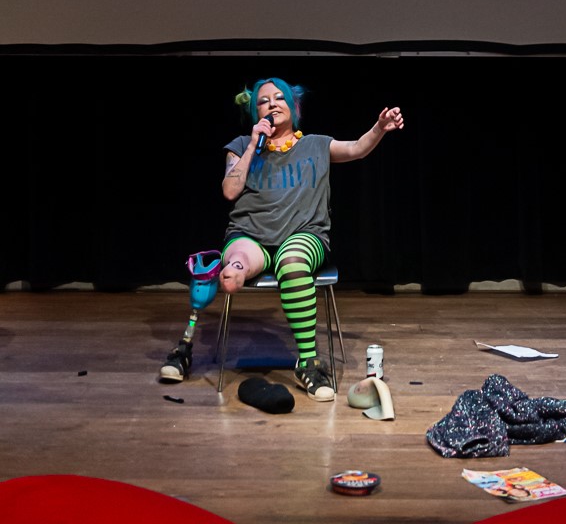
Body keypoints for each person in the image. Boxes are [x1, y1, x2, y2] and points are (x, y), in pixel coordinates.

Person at [159, 78, 405, 401]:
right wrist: (252, 145)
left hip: (303, 235)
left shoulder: (316, 145)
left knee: (292, 261)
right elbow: (230, 190)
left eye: (279, 98)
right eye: (263, 101)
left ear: (294, 107)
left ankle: (308, 363)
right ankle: (185, 347)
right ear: (255, 112)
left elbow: (357, 149)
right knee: (230, 277)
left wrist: (379, 128)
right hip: (250, 236)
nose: (272, 104)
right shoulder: (240, 146)